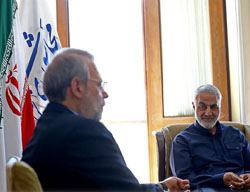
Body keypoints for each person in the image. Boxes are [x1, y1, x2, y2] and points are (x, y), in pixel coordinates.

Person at [22, 48, 190, 192]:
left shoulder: (46, 126)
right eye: (99, 85)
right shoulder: (83, 131)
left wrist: (161, 187)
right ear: (77, 87)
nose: (105, 94)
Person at [170, 84, 250, 191]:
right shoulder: (182, 141)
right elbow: (184, 180)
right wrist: (220, 179)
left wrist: (248, 175)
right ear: (194, 106)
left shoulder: (236, 134)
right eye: (202, 107)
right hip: (208, 188)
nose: (208, 112)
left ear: (219, 107)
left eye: (213, 107)